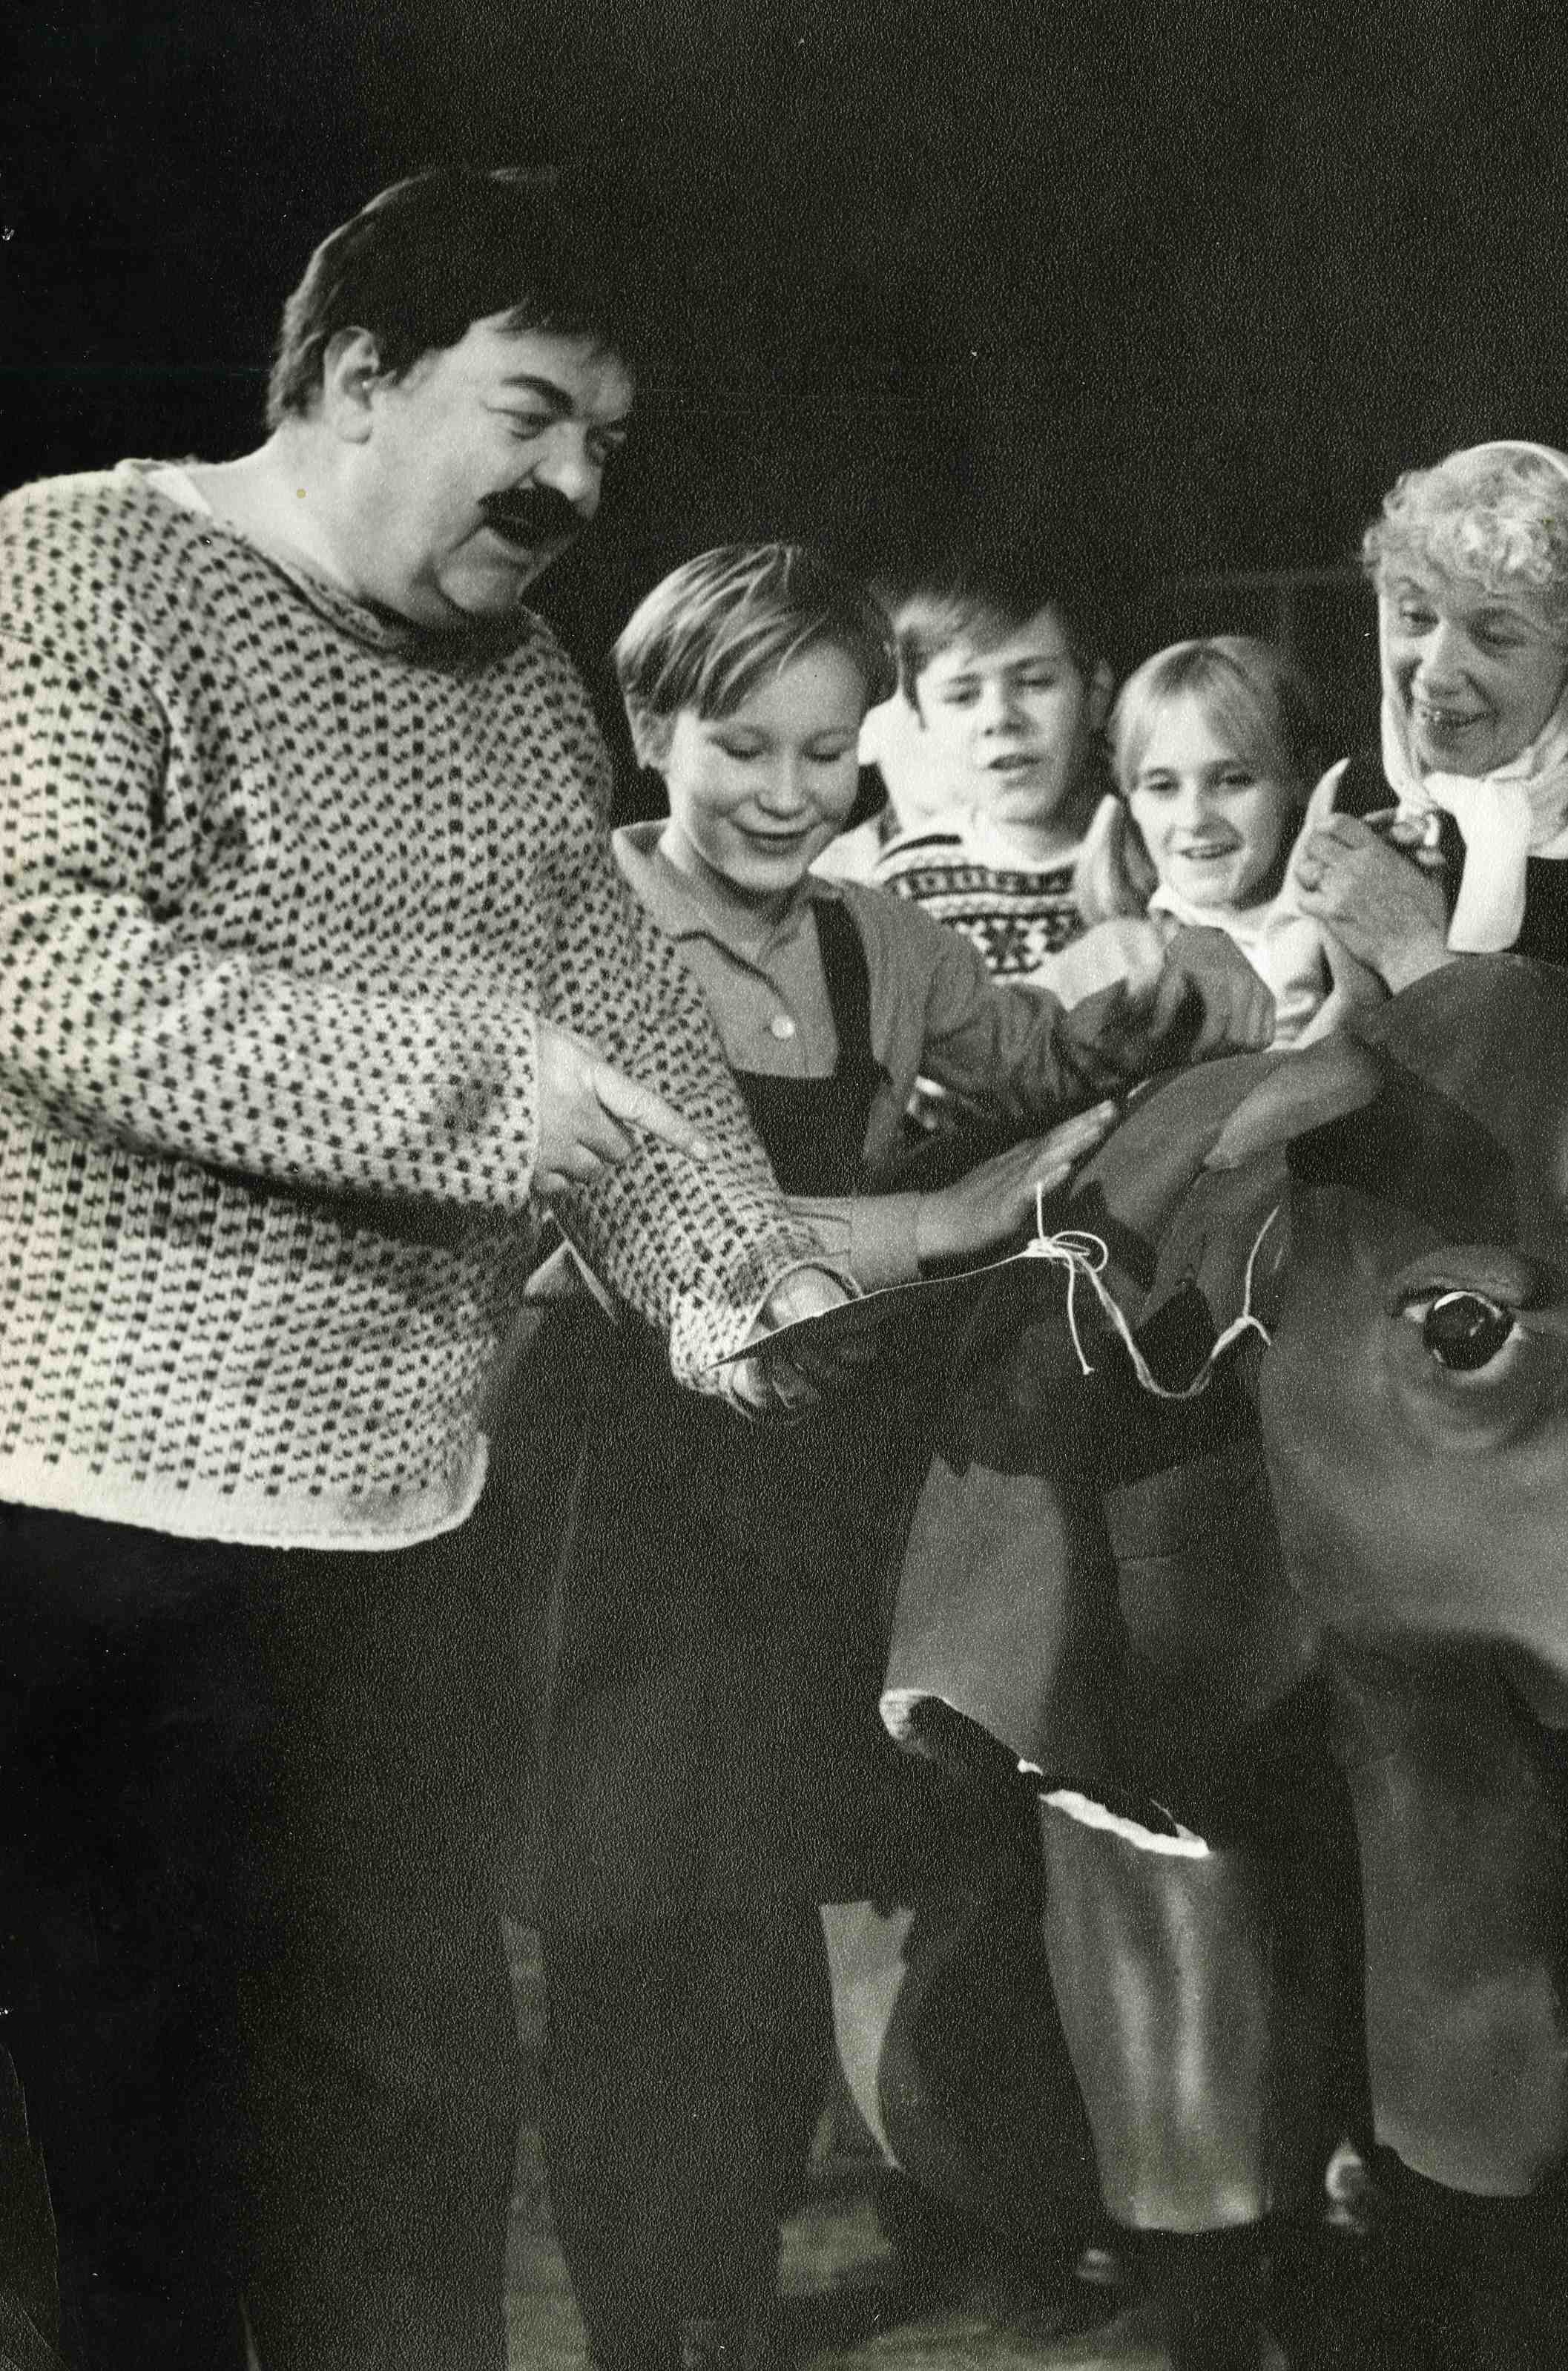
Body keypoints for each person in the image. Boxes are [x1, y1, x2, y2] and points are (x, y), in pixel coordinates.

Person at [0, 168, 850, 2371]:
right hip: (99, 1522)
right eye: (533, 412)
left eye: (608, 445)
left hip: (401, 1515)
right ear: (357, 376)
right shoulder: (77, 566)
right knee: (140, 2155)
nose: (574, 486)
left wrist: (729, 1276)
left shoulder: (526, 682)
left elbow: (616, 1005)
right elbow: (47, 961)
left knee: (413, 2118)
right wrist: (470, 1100)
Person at [515, 543, 1266, 2371]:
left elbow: (1042, 1061)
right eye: (741, 747)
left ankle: (740, 2286)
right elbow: (638, 1226)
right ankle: (648, 2324)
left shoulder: (880, 939)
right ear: (649, 731)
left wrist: (1177, 973)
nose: (787, 793)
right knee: (644, 1927)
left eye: (827, 749)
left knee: (785, 1911)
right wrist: (933, 1221)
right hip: (622, 1490)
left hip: (812, 1482)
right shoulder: (578, 920)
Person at [1288, 438, 1568, 990]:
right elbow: (1291, 1030)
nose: (1436, 674)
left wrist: (1408, 952)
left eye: (1495, 636)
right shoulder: (1352, 792)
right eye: (1415, 616)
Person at [860, 553, 1116, 981]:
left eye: (1034, 682)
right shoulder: (903, 888)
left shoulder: (1155, 853)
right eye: (962, 696)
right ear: (922, 721)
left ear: (1095, 696)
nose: (999, 717)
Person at [1078, 634, 1340, 1046]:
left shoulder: (1342, 938)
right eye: (1162, 786)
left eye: (1232, 780)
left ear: (1302, 779)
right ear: (1131, 801)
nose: (1194, 818)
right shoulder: (1117, 962)